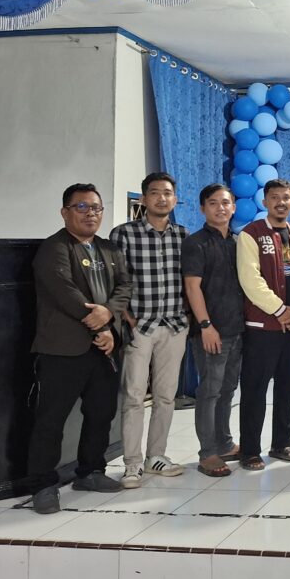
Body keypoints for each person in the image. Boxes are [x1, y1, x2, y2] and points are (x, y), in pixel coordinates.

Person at [28, 184, 133, 514]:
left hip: (104, 349)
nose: (91, 214)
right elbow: (65, 293)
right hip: (63, 349)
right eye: (82, 207)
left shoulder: (109, 249)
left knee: (101, 413)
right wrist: (101, 326)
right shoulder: (54, 248)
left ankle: (91, 471)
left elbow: (125, 286)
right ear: (65, 212)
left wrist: (110, 314)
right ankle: (43, 485)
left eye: (96, 208)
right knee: (51, 420)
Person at [110, 172, 188, 488]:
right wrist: (125, 315)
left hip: (174, 326)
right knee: (133, 396)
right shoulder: (123, 234)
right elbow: (115, 279)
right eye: (155, 193)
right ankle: (132, 463)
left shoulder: (183, 236)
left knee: (166, 396)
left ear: (175, 199)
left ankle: (156, 456)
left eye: (167, 193)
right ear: (143, 199)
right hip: (139, 326)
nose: (161, 198)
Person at [236, 178, 290, 470]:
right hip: (262, 328)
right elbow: (250, 279)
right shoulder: (251, 234)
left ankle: (282, 443)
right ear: (264, 201)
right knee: (254, 390)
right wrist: (280, 310)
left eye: (286, 197)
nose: (281, 202)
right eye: (275, 197)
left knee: (287, 388)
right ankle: (250, 450)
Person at [182, 184, 244, 477]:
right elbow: (192, 287)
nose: (221, 208)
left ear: (233, 207)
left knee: (228, 390)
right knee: (209, 391)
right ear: (202, 208)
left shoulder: (239, 241)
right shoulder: (195, 243)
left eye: (225, 202)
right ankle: (207, 453)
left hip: (237, 330)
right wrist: (206, 326)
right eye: (213, 203)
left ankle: (224, 443)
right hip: (210, 331)